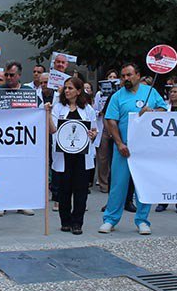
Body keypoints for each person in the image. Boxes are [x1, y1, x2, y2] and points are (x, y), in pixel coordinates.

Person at [99, 62, 166, 235]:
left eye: (129, 75)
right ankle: (110, 219)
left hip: (145, 149)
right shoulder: (117, 96)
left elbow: (163, 109)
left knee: (143, 185)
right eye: (123, 76)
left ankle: (142, 220)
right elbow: (111, 120)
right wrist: (119, 143)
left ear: (138, 75)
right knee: (118, 185)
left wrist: (152, 112)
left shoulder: (150, 91)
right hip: (124, 148)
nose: (125, 78)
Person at [0, 62, 39, 216]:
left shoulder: (28, 91)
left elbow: (38, 112)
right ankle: (0, 202)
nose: (8, 77)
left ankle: (22, 203)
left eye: (11, 75)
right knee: (2, 171)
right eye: (6, 75)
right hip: (3, 139)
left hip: (23, 140)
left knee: (22, 172)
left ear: (19, 75)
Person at [50, 77, 97, 235]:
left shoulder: (88, 109)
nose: (67, 91)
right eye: (65, 88)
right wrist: (47, 114)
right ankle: (65, 221)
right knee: (64, 190)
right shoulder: (58, 108)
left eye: (70, 88)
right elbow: (52, 130)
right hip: (63, 155)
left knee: (81, 191)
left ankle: (77, 223)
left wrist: (93, 134)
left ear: (78, 91)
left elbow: (94, 130)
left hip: (81, 156)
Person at [155, 84, 177, 215]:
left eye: (175, 91)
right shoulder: (164, 108)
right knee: (165, 174)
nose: (172, 94)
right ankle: (163, 201)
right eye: (171, 92)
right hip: (166, 146)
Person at [94, 69, 119, 194]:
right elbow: (96, 109)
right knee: (103, 157)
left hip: (117, 126)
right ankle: (103, 183)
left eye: (114, 77)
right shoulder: (100, 94)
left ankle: (115, 182)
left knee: (115, 156)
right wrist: (98, 112)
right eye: (110, 76)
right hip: (103, 126)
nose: (112, 79)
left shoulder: (120, 93)